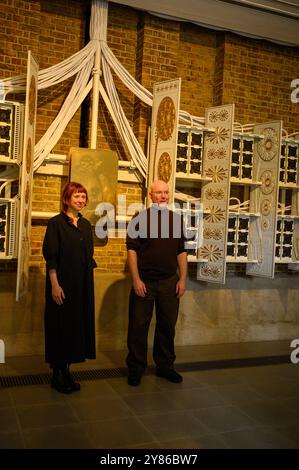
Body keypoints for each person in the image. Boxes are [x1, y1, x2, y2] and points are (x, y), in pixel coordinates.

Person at [126, 180, 187, 386]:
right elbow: (131, 250)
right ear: (150, 195)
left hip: (170, 282)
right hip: (145, 282)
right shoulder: (139, 219)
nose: (163, 196)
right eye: (159, 192)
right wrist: (136, 279)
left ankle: (165, 367)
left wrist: (183, 279)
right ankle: (135, 368)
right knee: (138, 327)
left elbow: (181, 251)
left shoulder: (176, 220)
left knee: (167, 326)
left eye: (166, 192)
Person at [43, 181, 96, 394]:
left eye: (83, 197)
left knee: (75, 327)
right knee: (60, 327)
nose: (81, 200)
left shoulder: (85, 224)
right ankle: (57, 374)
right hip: (62, 283)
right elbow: (51, 257)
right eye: (77, 196)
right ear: (67, 198)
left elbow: (87, 256)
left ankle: (67, 371)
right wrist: (54, 285)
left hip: (81, 284)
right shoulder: (56, 223)